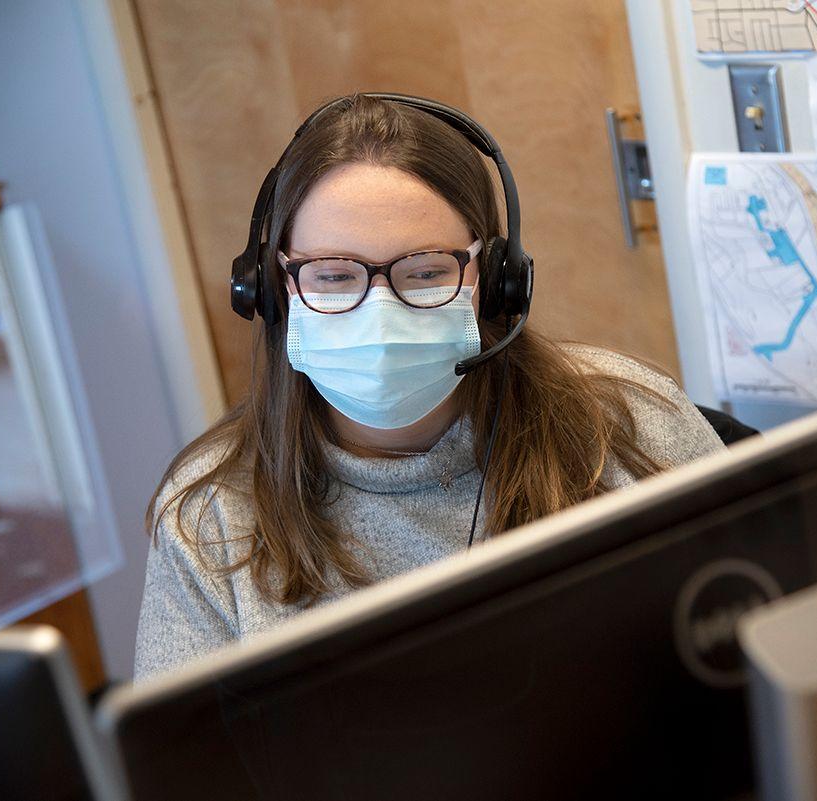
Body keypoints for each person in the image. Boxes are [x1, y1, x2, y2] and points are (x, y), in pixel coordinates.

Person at [134, 94, 724, 679]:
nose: (381, 313)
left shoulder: (628, 422)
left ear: (494, 282)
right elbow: (184, 767)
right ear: (271, 288)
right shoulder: (209, 517)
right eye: (335, 276)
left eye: (424, 272)